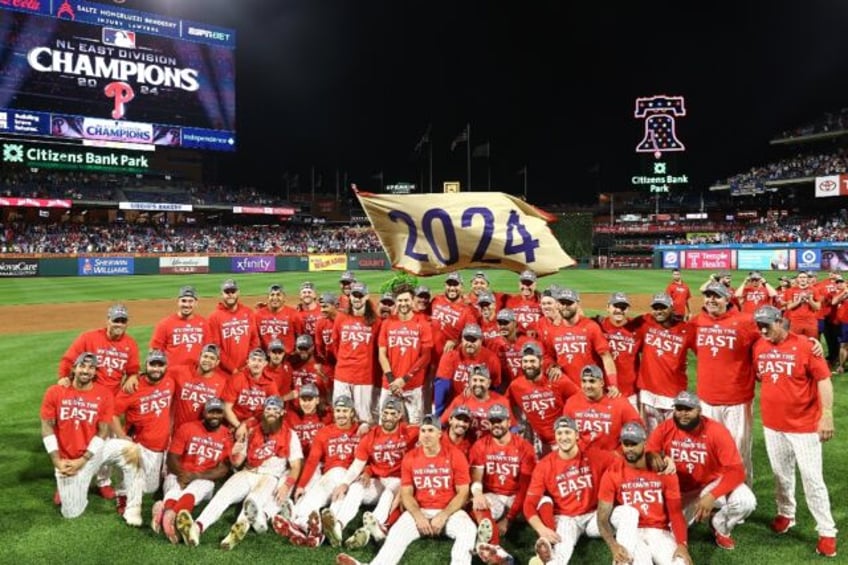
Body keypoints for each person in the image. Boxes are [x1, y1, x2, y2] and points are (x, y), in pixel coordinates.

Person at [752, 305, 837, 558]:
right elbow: (761, 376)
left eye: (767, 324)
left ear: (781, 321)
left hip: (804, 427)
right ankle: (787, 515)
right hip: (772, 425)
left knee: (812, 479)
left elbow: (823, 379)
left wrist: (827, 414)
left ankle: (826, 531)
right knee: (781, 475)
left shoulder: (806, 346)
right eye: (759, 325)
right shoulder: (759, 346)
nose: (762, 329)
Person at [334, 414, 476, 565]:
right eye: (423, 430)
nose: (426, 435)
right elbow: (406, 493)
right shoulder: (410, 457)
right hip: (419, 510)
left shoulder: (455, 455)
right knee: (396, 535)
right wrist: (418, 515)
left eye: (431, 430)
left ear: (440, 434)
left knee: (468, 530)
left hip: (448, 512)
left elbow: (463, 493)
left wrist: (443, 515)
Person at [176, 396, 303, 549]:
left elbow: (296, 466)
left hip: (270, 476)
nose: (271, 413)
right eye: (268, 409)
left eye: (276, 410)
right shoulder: (253, 431)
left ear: (282, 412)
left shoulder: (290, 435)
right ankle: (197, 527)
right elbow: (237, 462)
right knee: (222, 496)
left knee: (253, 502)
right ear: (263, 412)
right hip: (248, 472)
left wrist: (286, 486)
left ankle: (235, 532)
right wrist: (233, 451)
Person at [40, 352, 143, 525]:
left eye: (91, 367)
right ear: (74, 368)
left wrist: (84, 459)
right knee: (71, 513)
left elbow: (103, 431)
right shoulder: (55, 392)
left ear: (96, 372)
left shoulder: (104, 394)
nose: (86, 370)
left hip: (93, 453)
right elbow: (47, 427)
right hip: (67, 459)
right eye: (82, 366)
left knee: (131, 449)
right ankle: (69, 486)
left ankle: (131, 506)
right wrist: (57, 461)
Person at [646, 390, 756, 550]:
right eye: (678, 409)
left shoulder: (716, 431)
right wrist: (654, 457)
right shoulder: (666, 428)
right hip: (679, 492)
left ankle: (719, 526)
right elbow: (650, 451)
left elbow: (737, 471)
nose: (682, 414)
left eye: (688, 409)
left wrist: (712, 495)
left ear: (699, 410)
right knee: (666, 531)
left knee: (746, 501)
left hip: (709, 486)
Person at [523, 416, 639, 565]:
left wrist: (654, 459)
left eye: (567, 432)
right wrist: (541, 528)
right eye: (559, 433)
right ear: (555, 436)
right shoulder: (545, 465)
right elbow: (529, 505)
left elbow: (626, 460)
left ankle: (623, 561)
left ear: (576, 435)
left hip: (594, 517)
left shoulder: (594, 455)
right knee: (560, 555)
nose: (563, 437)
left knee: (629, 513)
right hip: (567, 519)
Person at [325, 397, 419, 549]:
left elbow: (433, 432)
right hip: (378, 480)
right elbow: (357, 465)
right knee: (356, 487)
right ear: (381, 413)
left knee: (390, 493)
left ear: (400, 415)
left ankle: (370, 528)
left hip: (398, 480)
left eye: (392, 413)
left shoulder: (410, 431)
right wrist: (344, 484)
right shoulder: (371, 436)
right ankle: (338, 526)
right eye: (385, 413)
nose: (388, 417)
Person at [690, 282, 761, 483]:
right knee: (710, 451)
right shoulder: (697, 322)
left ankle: (742, 498)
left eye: (717, 296)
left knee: (738, 451)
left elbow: (771, 335)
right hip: (706, 399)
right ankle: (716, 496)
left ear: (727, 299)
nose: (711, 299)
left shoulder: (746, 321)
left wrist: (810, 342)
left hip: (737, 399)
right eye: (708, 295)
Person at [597, 422, 693, 565]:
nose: (629, 449)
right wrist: (614, 546)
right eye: (626, 444)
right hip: (632, 532)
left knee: (681, 563)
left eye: (634, 444)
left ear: (644, 443)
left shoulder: (663, 469)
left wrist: (682, 544)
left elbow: (675, 513)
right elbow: (602, 518)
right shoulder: (613, 473)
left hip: (659, 532)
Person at [273, 395, 362, 547]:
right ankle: (311, 530)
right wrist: (301, 485)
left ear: (352, 413)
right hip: (333, 473)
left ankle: (300, 522)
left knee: (333, 490)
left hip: (352, 475)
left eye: (345, 411)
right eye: (338, 410)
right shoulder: (324, 432)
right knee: (322, 491)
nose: (341, 414)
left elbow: (369, 455)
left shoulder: (361, 431)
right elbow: (313, 460)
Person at [153, 397, 234, 544]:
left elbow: (223, 469)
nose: (215, 416)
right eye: (211, 412)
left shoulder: (227, 435)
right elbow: (172, 457)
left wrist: (195, 476)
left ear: (223, 414)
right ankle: (171, 517)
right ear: (204, 413)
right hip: (180, 472)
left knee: (202, 485)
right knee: (173, 483)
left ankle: (166, 512)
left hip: (204, 477)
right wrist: (182, 475)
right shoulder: (187, 428)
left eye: (218, 412)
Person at [468, 404, 535, 562]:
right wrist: (477, 493)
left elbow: (525, 487)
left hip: (517, 497)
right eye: (492, 421)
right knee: (478, 505)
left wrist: (508, 519)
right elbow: (476, 477)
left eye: (500, 420)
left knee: (544, 502)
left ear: (509, 421)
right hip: (494, 495)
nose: (496, 424)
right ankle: (495, 548)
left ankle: (548, 546)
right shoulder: (480, 445)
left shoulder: (525, 447)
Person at [112, 349, 176, 507]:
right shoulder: (132, 387)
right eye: (152, 365)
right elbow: (112, 414)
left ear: (166, 367)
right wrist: (121, 436)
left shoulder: (169, 382)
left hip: (159, 443)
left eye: (160, 365)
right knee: (127, 467)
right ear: (146, 365)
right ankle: (122, 495)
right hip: (137, 441)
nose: (156, 369)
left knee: (150, 487)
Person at [505, 342, 578, 457]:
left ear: (541, 362)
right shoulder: (515, 386)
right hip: (540, 444)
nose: (529, 365)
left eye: (532, 361)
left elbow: (581, 401)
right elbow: (504, 403)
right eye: (525, 361)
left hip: (565, 441)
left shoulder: (557, 379)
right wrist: (515, 427)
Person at [541, 288, 619, 394]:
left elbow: (606, 356)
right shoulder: (553, 331)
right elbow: (548, 356)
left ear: (577, 304)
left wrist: (613, 384)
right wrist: (552, 366)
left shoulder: (591, 327)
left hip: (590, 388)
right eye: (562, 303)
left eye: (569, 303)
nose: (565, 306)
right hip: (565, 389)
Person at [635, 293, 693, 433]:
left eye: (663, 307)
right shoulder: (645, 323)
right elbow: (622, 326)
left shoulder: (686, 330)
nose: (659, 311)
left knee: (672, 438)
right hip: (648, 394)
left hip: (673, 394)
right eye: (655, 308)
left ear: (671, 308)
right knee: (650, 440)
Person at [377, 285, 434, 425]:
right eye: (400, 300)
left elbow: (426, 357)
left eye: (406, 300)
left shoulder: (423, 323)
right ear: (396, 302)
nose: (403, 304)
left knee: (414, 427)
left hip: (413, 386)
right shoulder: (387, 323)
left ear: (413, 300)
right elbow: (381, 354)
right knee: (386, 424)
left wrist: (404, 379)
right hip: (389, 385)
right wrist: (392, 380)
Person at [58, 303, 140, 397]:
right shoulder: (88, 338)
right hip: (87, 393)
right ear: (108, 320)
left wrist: (133, 377)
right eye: (116, 320)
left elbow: (133, 370)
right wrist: (63, 377)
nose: (119, 324)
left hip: (111, 397)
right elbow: (68, 359)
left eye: (123, 321)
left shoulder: (131, 344)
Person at [332, 282, 382, 424]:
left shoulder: (375, 322)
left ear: (367, 297)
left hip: (363, 377)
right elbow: (335, 344)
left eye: (361, 296)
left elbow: (378, 349)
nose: (357, 299)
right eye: (355, 295)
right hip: (342, 374)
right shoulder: (341, 318)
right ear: (350, 297)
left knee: (364, 418)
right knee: (341, 416)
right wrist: (343, 359)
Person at [564, 364, 642, 452]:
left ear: (601, 382)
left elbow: (637, 429)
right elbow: (566, 433)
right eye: (584, 381)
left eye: (592, 381)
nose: (587, 386)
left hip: (611, 460)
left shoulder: (619, 402)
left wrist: (619, 452)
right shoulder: (571, 403)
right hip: (582, 458)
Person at [434, 323, 502, 417]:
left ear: (481, 341)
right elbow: (441, 387)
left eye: (474, 340)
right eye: (467, 339)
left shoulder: (491, 359)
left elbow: (495, 388)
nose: (469, 343)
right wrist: (439, 414)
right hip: (455, 406)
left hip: (480, 406)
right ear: (462, 339)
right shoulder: (450, 356)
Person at [440, 365, 512, 443]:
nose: (477, 384)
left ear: (488, 383)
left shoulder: (502, 401)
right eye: (474, 380)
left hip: (491, 448)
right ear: (469, 382)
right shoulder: (460, 400)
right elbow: (442, 423)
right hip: (467, 447)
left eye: (481, 380)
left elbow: (513, 427)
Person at [596, 292, 643, 409]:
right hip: (604, 391)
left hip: (630, 392)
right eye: (615, 306)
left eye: (623, 307)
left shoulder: (637, 328)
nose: (619, 310)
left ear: (628, 309)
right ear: (607, 307)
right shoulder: (597, 326)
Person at [222, 348, 279, 440]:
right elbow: (226, 408)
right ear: (248, 362)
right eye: (253, 359)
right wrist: (239, 426)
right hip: (235, 424)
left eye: (260, 360)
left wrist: (249, 425)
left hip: (258, 424)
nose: (256, 363)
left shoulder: (270, 383)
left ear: (265, 364)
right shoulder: (237, 379)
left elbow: (274, 409)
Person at [170, 343, 228, 430]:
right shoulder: (180, 372)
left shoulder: (223, 382)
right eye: (205, 356)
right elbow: (159, 372)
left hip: (202, 433)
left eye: (212, 358)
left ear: (217, 362)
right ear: (199, 357)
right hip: (177, 430)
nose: (207, 360)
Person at [207, 279, 259, 375]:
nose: (230, 294)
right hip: (223, 372)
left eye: (233, 291)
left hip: (247, 369)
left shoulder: (248, 313)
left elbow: (254, 340)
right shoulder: (214, 318)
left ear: (238, 292)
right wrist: (233, 368)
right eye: (227, 292)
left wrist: (248, 363)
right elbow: (216, 348)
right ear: (221, 294)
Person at [150, 285, 209, 369]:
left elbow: (209, 350)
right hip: (171, 374)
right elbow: (155, 350)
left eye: (190, 301)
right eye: (183, 301)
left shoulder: (204, 323)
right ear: (178, 302)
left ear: (196, 303)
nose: (186, 305)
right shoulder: (165, 324)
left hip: (196, 374)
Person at [254, 283, 304, 354]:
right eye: (272, 295)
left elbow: (301, 337)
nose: (275, 298)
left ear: (284, 298)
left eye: (278, 295)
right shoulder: (258, 315)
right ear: (268, 297)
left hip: (288, 358)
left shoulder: (294, 314)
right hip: (266, 359)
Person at [501, 269, 542, 337]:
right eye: (523, 283)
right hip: (517, 340)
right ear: (519, 284)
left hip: (536, 340)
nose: (525, 287)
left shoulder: (542, 302)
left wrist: (537, 331)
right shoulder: (511, 302)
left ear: (535, 284)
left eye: (529, 284)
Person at [783, 271, 823, 338]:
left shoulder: (814, 290)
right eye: (800, 277)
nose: (802, 279)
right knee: (795, 343)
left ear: (807, 279)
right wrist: (799, 300)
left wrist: (810, 300)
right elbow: (789, 307)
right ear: (797, 279)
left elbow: (818, 307)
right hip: (796, 321)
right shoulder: (791, 290)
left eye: (804, 277)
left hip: (810, 322)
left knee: (811, 343)